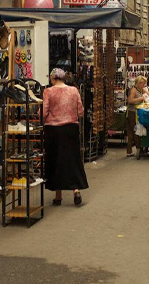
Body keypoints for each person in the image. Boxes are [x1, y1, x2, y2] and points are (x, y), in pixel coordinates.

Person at [42, 68, 89, 206]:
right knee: (71, 159)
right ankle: (75, 190)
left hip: (54, 130)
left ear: (53, 78)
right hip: (71, 129)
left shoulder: (48, 91)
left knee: (56, 160)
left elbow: (44, 111)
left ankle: (58, 196)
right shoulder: (74, 90)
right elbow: (80, 111)